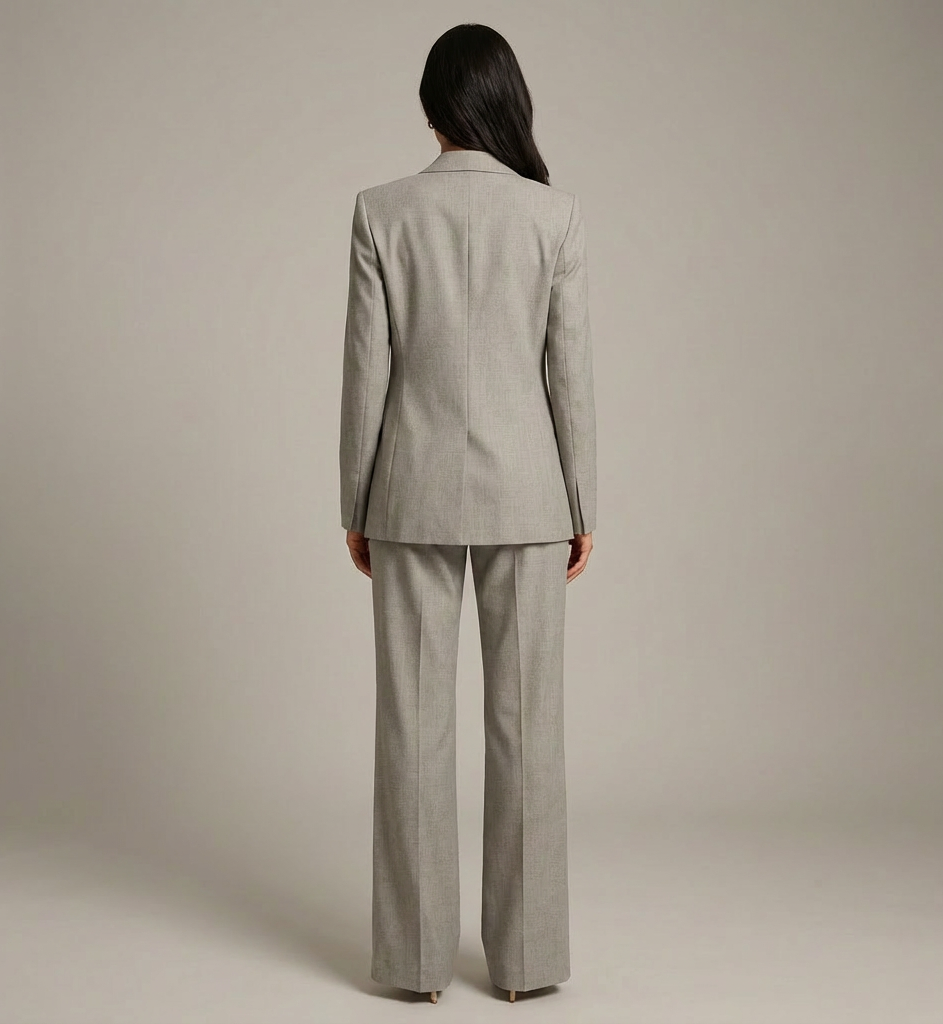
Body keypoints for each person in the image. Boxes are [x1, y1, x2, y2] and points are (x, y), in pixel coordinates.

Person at [338, 22, 597, 1005]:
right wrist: (583, 504)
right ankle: (527, 963)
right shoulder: (554, 217)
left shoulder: (382, 212)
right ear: (507, 102)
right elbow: (568, 376)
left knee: (412, 728)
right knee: (528, 729)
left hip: (407, 491)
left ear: (430, 108)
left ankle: (412, 965)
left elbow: (366, 372)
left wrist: (356, 500)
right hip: (530, 495)